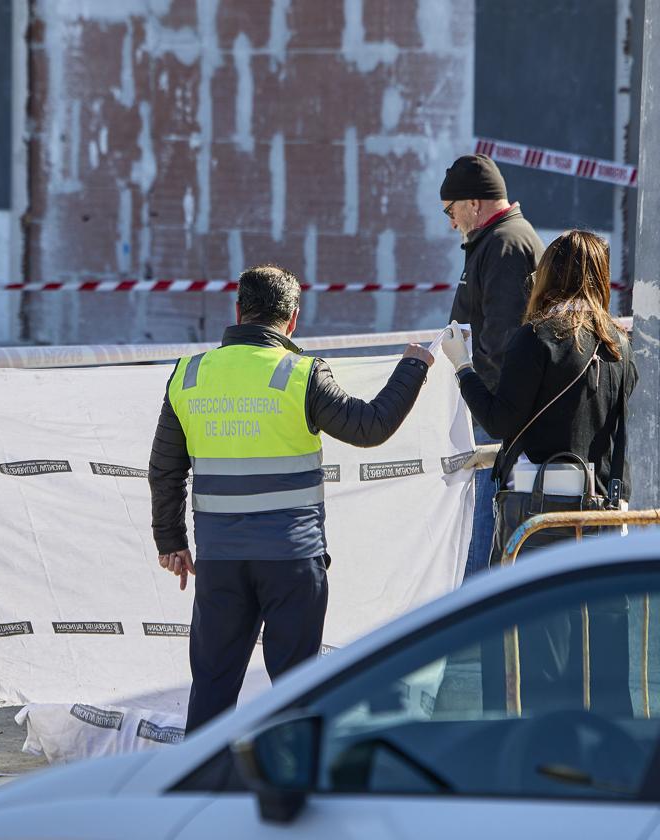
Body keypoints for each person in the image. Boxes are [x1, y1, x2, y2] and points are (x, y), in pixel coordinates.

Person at [149, 264, 434, 733]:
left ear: (238, 311)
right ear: (293, 320)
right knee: (297, 695)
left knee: (213, 690)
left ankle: (204, 793)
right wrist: (413, 367)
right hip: (291, 560)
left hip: (220, 561)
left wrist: (171, 541)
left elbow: (165, 470)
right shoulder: (299, 374)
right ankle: (289, 794)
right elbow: (369, 427)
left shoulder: (190, 375)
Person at [440, 230, 635, 714]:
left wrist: (462, 368)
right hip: (601, 519)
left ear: (548, 275)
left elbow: (502, 420)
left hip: (537, 518)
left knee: (530, 649)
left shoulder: (537, 337)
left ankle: (534, 760)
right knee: (598, 653)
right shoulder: (618, 346)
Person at [440, 153, 545, 579]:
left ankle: (474, 624)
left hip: (497, 411)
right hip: (494, 407)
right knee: (482, 522)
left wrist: (470, 378)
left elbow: (503, 342)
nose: (451, 223)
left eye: (451, 211)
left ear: (474, 204)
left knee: (484, 531)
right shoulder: (496, 242)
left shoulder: (503, 246)